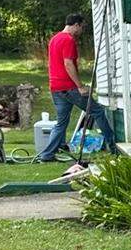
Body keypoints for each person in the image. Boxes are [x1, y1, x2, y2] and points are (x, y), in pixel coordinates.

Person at [36, 13, 118, 161]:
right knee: (97, 111)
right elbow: (68, 64)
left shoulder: (54, 39)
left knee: (61, 123)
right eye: (82, 27)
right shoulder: (68, 40)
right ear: (76, 25)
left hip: (56, 87)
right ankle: (113, 147)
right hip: (69, 87)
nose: (82, 30)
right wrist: (80, 86)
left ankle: (47, 155)